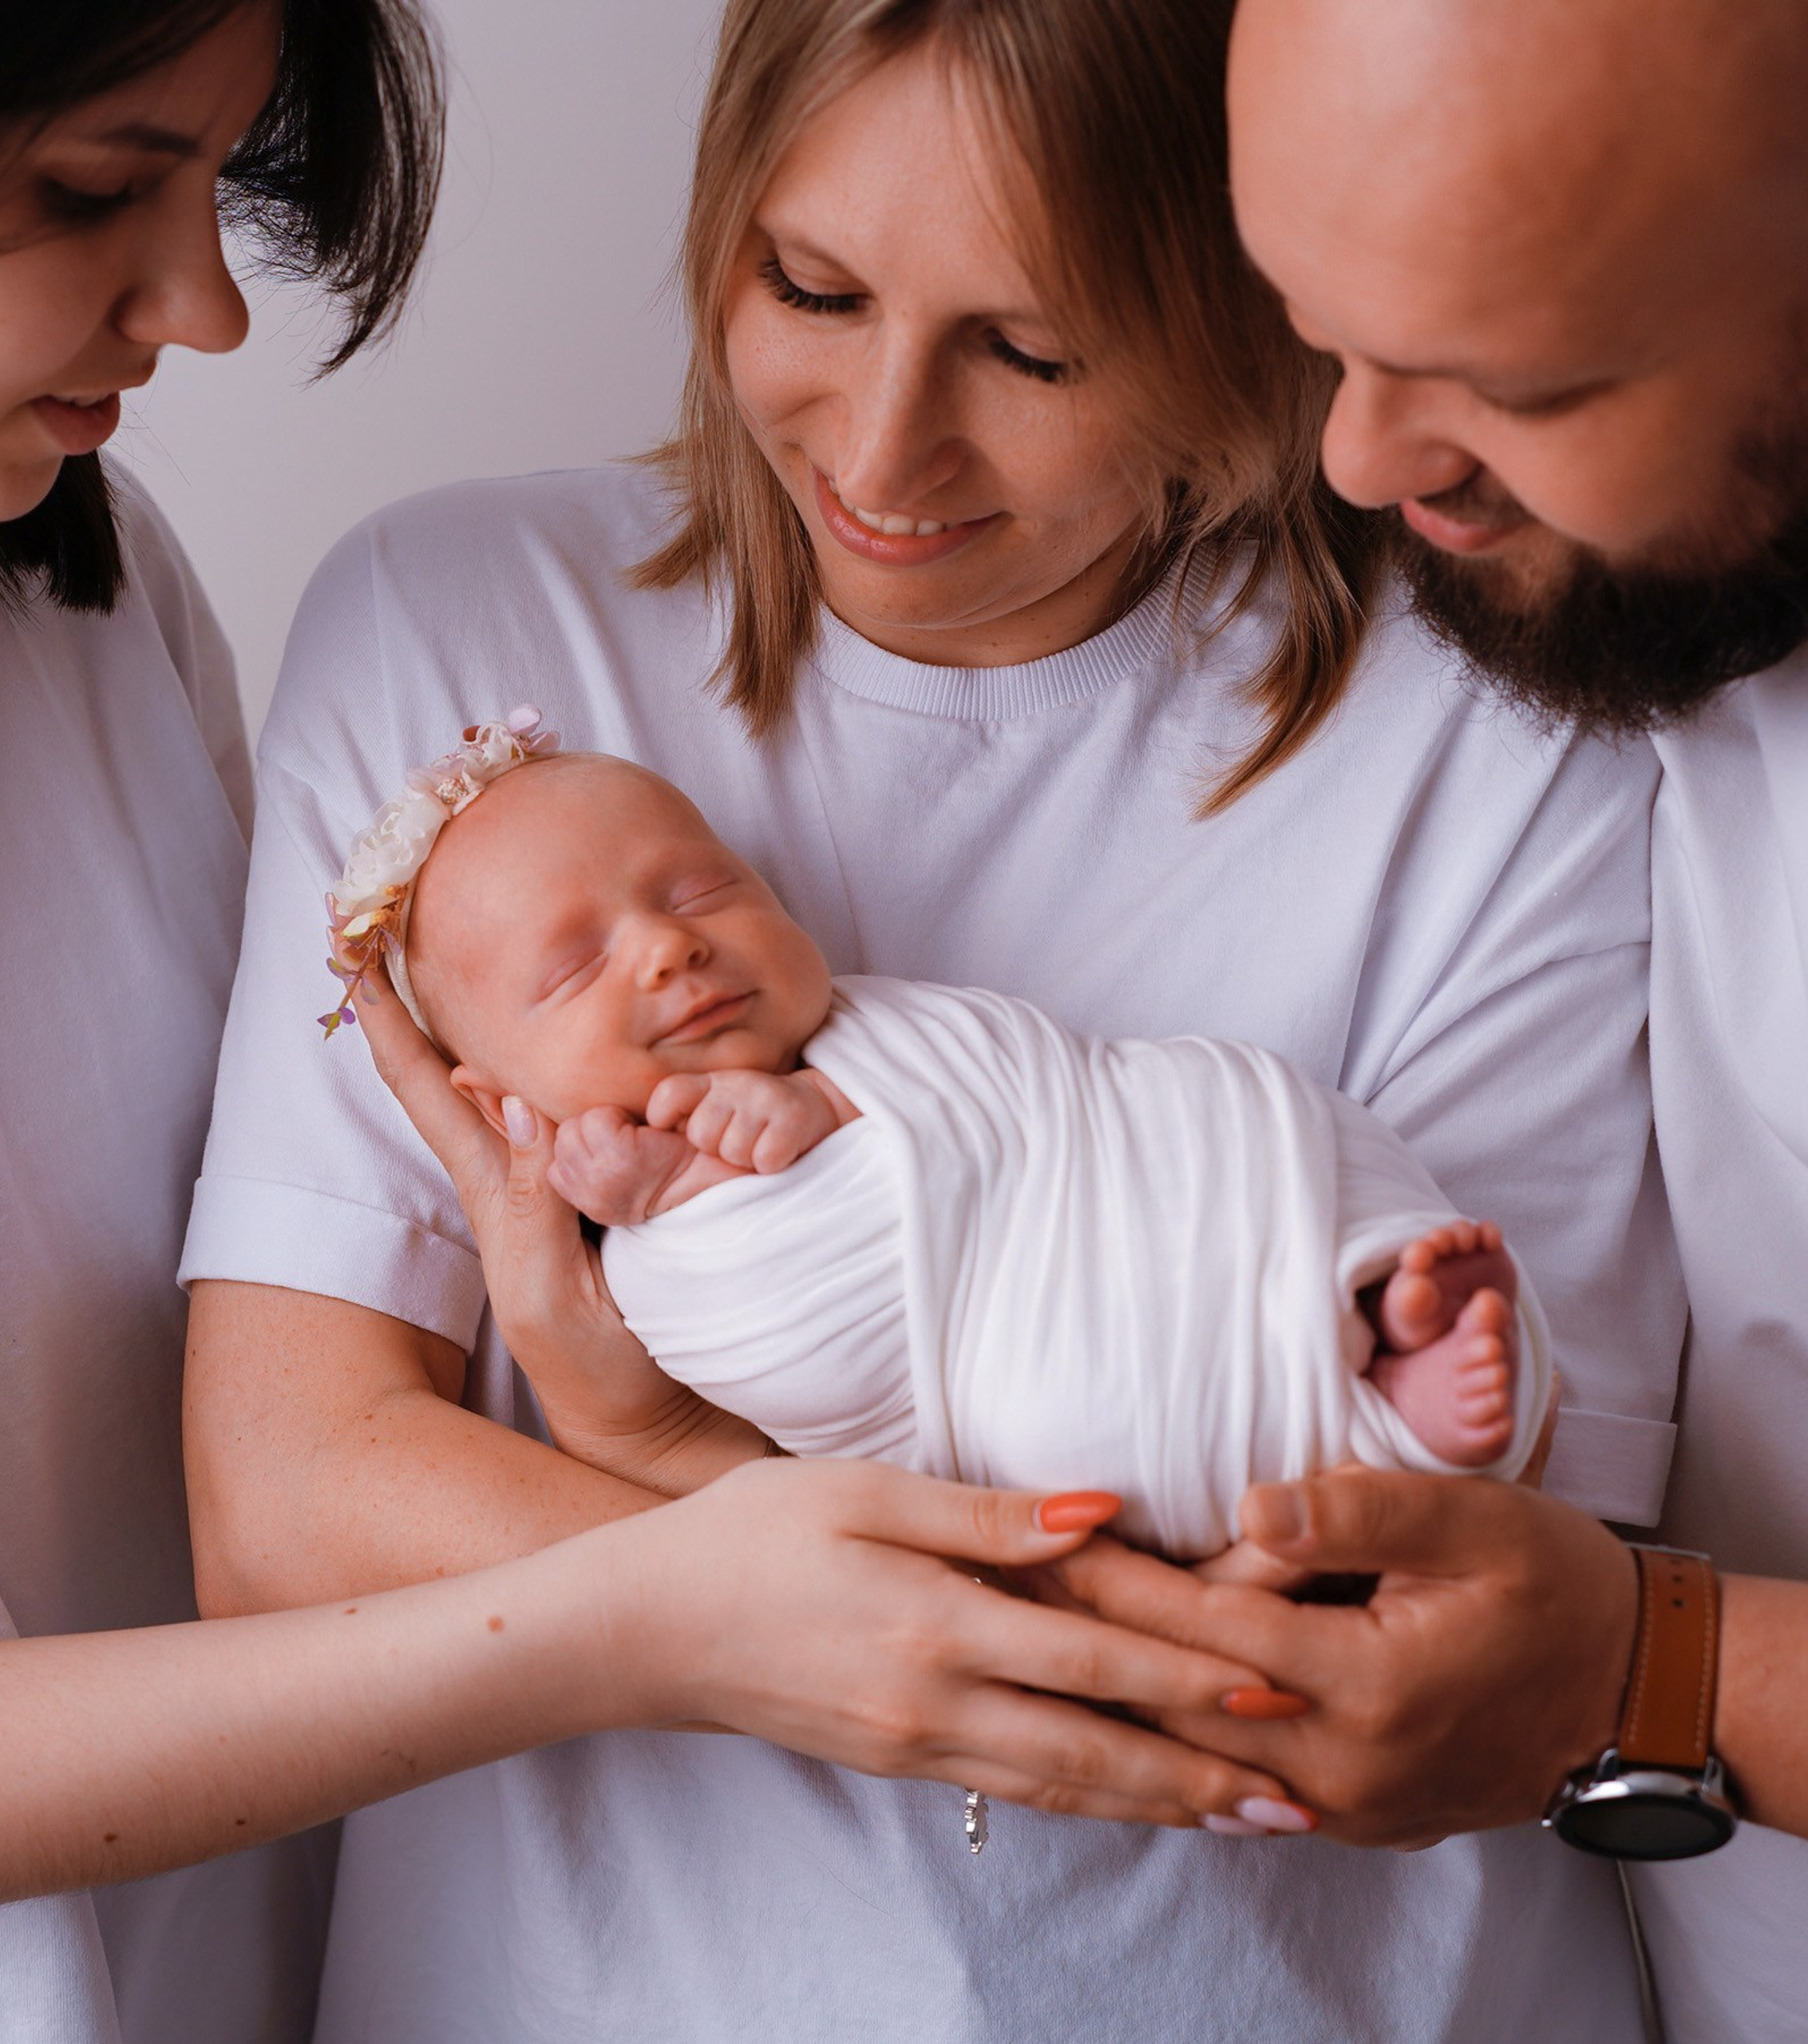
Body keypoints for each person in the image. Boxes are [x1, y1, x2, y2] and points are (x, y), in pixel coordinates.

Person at [180, 0, 1683, 2036]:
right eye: (810, 286)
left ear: (1262, 310)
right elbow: (288, 1513)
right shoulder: (462, 634)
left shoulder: (1504, 732)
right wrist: (809, 1557)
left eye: (1034, 348)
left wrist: (660, 1480)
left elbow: (1472, 1601)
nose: (881, 454)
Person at [0, 8, 1306, 2043]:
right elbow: (289, 1474)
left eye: (211, 180)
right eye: (86, 188)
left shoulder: (86, 592)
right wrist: (698, 1573)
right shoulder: (445, 616)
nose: (207, 312)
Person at [1046, 2, 1808, 2038]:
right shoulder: (1671, 474)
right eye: (1316, 319)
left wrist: (1641, 1673)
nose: (1358, 457)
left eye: (1513, 380)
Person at [333, 728, 1545, 1531]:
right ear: (504, 1110)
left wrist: (822, 1104)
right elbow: (816, 1365)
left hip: (1131, 1161)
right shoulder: (656, 1263)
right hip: (1023, 1344)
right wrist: (673, 1195)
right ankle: (1392, 1411)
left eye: (704, 890)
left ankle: (1382, 1297)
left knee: (1253, 1108)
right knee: (1066, 1419)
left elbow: (1015, 1092)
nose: (669, 945)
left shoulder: (884, 1027)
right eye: (576, 966)